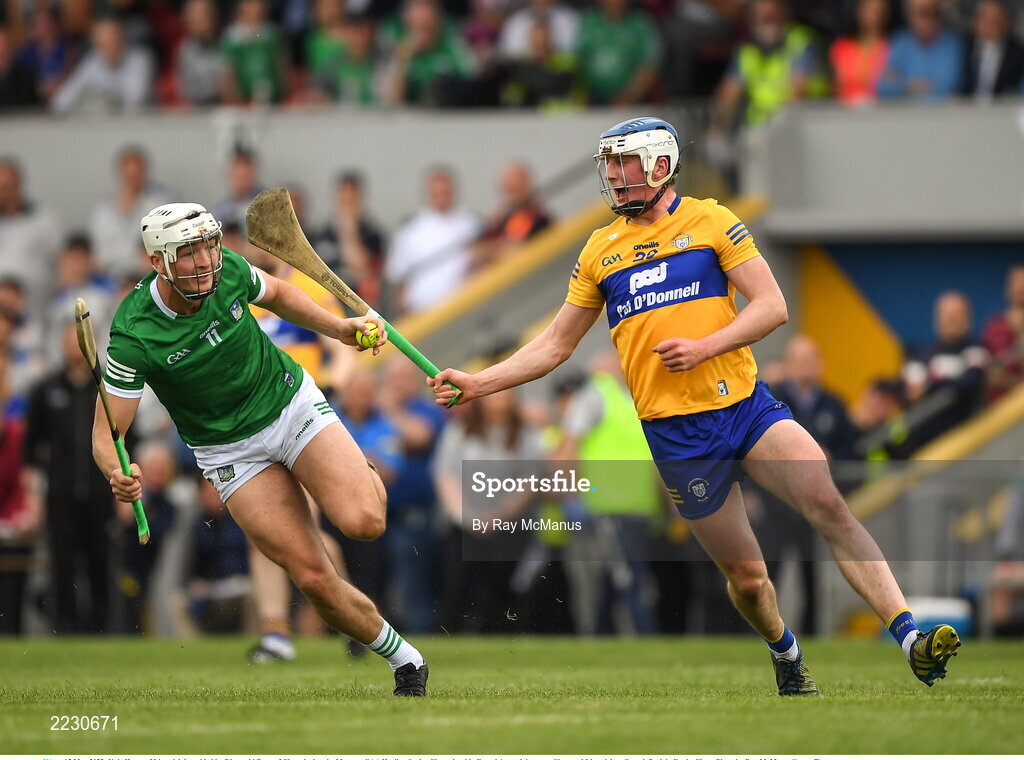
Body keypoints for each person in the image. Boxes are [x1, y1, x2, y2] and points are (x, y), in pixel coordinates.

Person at [429, 116, 962, 695]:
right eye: (608, 163)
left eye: (623, 162)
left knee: (827, 501)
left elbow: (771, 306)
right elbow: (556, 345)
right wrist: (479, 384)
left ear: (660, 165)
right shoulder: (600, 250)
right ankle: (785, 651)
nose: (611, 174)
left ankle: (910, 637)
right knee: (750, 579)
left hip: (745, 408)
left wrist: (707, 346)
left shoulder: (712, 221)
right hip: (678, 437)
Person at [93, 202, 428, 696]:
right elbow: (106, 435)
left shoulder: (226, 269)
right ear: (158, 262)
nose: (206, 261)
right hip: (230, 452)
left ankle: (357, 468)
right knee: (312, 577)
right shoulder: (133, 333)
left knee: (364, 522)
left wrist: (338, 328)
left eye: (208, 246)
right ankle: (406, 660)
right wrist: (116, 474)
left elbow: (278, 294)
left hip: (288, 403)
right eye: (188, 254)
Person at [877, 0, 963, 100]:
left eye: (936, 13)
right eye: (924, 13)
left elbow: (947, 86)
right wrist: (925, 85)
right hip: (903, 113)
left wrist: (902, 84)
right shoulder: (900, 42)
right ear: (909, 15)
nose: (930, 19)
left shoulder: (952, 43)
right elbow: (883, 86)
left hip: (940, 113)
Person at [829, 0, 891, 106]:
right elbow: (835, 84)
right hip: (843, 110)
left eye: (879, 12)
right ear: (859, 12)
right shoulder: (842, 47)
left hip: (879, 111)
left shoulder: (891, 48)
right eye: (869, 11)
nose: (875, 17)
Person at [960, 0, 1024, 99]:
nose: (989, 25)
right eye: (984, 18)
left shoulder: (1017, 54)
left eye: (995, 20)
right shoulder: (964, 47)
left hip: (1002, 110)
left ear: (1006, 22)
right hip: (966, 109)